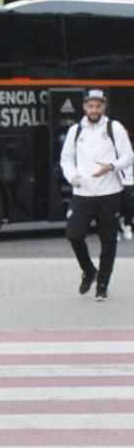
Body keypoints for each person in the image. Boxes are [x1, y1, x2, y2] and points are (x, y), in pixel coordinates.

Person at [60, 87, 133, 301]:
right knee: (73, 234)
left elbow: (129, 157)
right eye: (90, 105)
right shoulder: (76, 131)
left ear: (104, 106)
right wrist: (72, 177)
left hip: (110, 193)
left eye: (98, 105)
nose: (94, 109)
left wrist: (110, 166)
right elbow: (66, 159)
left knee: (108, 240)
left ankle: (102, 284)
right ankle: (89, 270)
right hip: (82, 193)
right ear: (84, 106)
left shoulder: (114, 128)